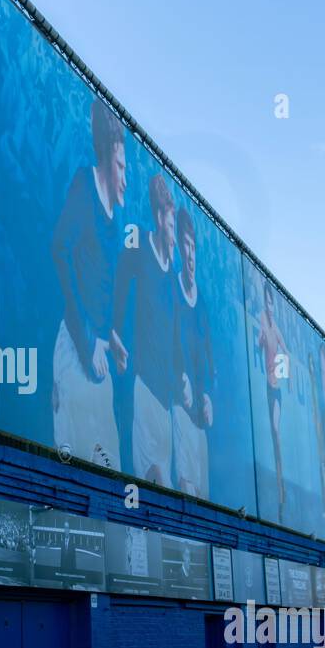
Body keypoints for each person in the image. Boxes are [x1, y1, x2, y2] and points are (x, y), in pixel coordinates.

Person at [50, 99, 127, 470]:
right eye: (121, 167)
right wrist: (87, 338)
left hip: (99, 361)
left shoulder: (116, 221)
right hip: (76, 352)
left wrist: (110, 336)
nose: (125, 179)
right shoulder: (83, 185)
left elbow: (98, 285)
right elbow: (60, 250)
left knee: (111, 473)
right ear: (107, 158)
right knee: (77, 474)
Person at [112, 172, 180, 484]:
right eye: (171, 226)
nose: (173, 236)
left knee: (163, 493)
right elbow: (120, 281)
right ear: (159, 218)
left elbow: (175, 339)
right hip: (144, 390)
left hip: (166, 405)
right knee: (155, 482)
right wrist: (114, 332)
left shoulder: (171, 279)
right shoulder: (139, 242)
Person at [171, 210, 214, 499]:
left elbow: (210, 361)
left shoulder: (203, 305)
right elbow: (163, 344)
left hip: (201, 421)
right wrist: (179, 378)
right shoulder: (171, 291)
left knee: (204, 500)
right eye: (184, 246)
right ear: (177, 248)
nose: (189, 255)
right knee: (187, 492)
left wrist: (208, 394)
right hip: (180, 410)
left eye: (193, 247)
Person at [254, 279, 289, 520]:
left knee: (276, 433)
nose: (270, 306)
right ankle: (277, 489)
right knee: (271, 437)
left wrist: (282, 376)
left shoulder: (276, 328)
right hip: (267, 387)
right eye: (267, 302)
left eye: (272, 302)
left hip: (275, 390)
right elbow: (259, 341)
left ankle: (281, 490)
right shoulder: (261, 319)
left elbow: (286, 351)